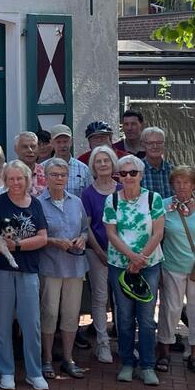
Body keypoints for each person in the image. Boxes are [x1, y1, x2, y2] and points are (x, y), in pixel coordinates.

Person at [0, 160, 50, 390]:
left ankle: (34, 372)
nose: (16, 182)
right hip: (1, 270)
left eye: (20, 178)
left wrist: (17, 246)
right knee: (2, 322)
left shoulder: (36, 204)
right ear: (5, 180)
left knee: (31, 323)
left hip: (28, 269)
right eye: (11, 178)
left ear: (27, 180)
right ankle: (6, 371)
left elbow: (43, 238)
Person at [103, 154, 166, 385]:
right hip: (120, 265)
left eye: (133, 172)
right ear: (118, 176)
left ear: (141, 175)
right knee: (125, 316)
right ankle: (128, 363)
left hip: (149, 265)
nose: (128, 177)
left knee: (147, 318)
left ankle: (147, 365)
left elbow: (158, 232)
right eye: (124, 173)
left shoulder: (153, 199)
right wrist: (131, 257)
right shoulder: (112, 200)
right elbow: (111, 234)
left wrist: (141, 259)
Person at [156, 166, 195, 376]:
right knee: (170, 310)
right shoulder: (163, 206)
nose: (182, 186)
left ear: (194, 185)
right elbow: (157, 236)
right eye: (177, 182)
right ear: (172, 185)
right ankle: (164, 352)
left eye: (186, 182)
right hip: (172, 267)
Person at [36, 158, 90, 379]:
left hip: (75, 266)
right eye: (54, 174)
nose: (59, 178)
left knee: (71, 314)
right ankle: (47, 359)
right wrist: (53, 241)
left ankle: (68, 359)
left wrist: (82, 238)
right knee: (49, 313)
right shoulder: (38, 203)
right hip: (49, 266)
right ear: (46, 177)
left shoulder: (76, 202)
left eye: (63, 175)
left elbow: (85, 229)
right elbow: (34, 235)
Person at [79, 146, 118, 363]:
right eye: (98, 161)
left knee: (122, 299)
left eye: (106, 160)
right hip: (97, 253)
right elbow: (87, 227)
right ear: (93, 166)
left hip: (122, 254)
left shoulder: (122, 189)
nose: (103, 164)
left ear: (113, 163)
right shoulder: (88, 194)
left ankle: (124, 343)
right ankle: (102, 343)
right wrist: (100, 252)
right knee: (100, 298)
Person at [47, 125, 92, 196]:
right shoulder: (43, 168)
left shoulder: (83, 169)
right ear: (52, 143)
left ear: (71, 142)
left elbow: (89, 196)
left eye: (65, 141)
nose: (62, 145)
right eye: (58, 142)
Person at [141, 127, 173, 199]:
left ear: (164, 144)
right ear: (143, 145)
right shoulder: (136, 171)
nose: (155, 146)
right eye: (150, 143)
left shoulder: (172, 171)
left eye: (159, 143)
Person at [13, 131, 48, 195]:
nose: (30, 150)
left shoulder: (46, 172)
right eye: (25, 147)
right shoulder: (8, 173)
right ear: (16, 149)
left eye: (33, 146)